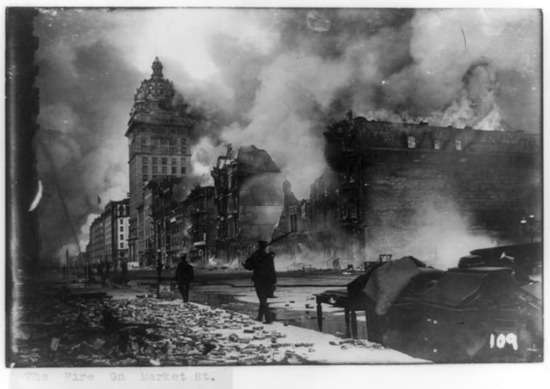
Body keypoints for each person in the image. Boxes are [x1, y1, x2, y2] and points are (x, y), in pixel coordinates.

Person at [243, 240, 277, 323]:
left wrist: (245, 265)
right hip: (267, 280)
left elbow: (249, 266)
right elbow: (272, 270)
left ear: (259, 246)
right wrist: (273, 281)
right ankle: (260, 317)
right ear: (265, 247)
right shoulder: (269, 257)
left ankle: (268, 319)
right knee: (263, 299)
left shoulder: (256, 255)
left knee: (262, 299)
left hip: (259, 280)